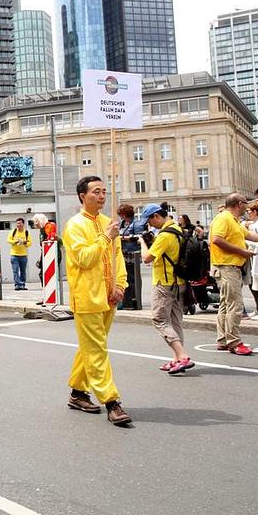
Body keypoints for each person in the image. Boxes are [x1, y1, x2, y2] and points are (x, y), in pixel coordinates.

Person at [63, 176, 131, 426]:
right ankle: (112, 401)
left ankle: (77, 393)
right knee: (97, 350)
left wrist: (121, 285)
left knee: (91, 347)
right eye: (96, 192)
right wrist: (105, 237)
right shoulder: (74, 225)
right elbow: (83, 258)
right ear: (83, 196)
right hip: (87, 297)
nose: (102, 196)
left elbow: (118, 258)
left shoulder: (107, 222)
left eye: (104, 191)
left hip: (109, 296)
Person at [209, 193, 258, 355]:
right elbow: (216, 239)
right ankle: (234, 341)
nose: (247, 206)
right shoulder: (223, 218)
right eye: (246, 203)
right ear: (239, 204)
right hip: (226, 266)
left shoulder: (234, 220)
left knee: (226, 304)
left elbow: (248, 235)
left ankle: (223, 339)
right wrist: (242, 251)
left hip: (230, 266)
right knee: (234, 305)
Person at [138, 203, 195, 374]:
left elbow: (147, 258)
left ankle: (182, 356)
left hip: (164, 282)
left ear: (156, 216)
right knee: (175, 321)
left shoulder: (164, 235)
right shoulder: (178, 230)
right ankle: (177, 359)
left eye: (149, 221)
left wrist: (142, 242)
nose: (150, 225)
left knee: (160, 319)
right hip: (179, 282)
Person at [117, 204, 144, 311]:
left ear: (125, 214)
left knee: (132, 278)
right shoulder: (122, 224)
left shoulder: (136, 224)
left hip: (133, 255)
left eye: (121, 214)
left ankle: (133, 301)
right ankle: (126, 301)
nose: (120, 216)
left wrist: (123, 238)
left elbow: (139, 237)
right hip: (123, 253)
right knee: (125, 277)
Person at [6, 217, 32, 290]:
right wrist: (15, 241)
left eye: (20, 223)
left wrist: (24, 242)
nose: (18, 225)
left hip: (23, 255)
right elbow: (8, 240)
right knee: (15, 270)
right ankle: (17, 284)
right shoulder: (13, 231)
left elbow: (30, 243)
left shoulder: (26, 232)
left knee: (23, 271)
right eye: (17, 223)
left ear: (23, 224)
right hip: (14, 255)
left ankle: (22, 284)